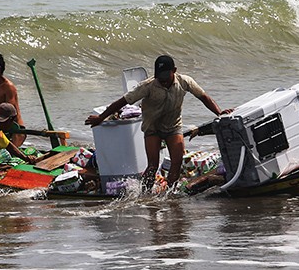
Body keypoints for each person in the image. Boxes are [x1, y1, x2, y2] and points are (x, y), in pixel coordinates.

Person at [85, 55, 232, 190]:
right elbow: (122, 101)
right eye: (160, 77)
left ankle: (170, 192)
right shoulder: (148, 86)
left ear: (174, 71)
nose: (163, 81)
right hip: (152, 128)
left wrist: (219, 113)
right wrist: (101, 117)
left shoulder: (184, 81)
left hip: (173, 126)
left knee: (177, 162)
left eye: (166, 77)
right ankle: (145, 193)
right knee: (152, 166)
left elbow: (204, 97)